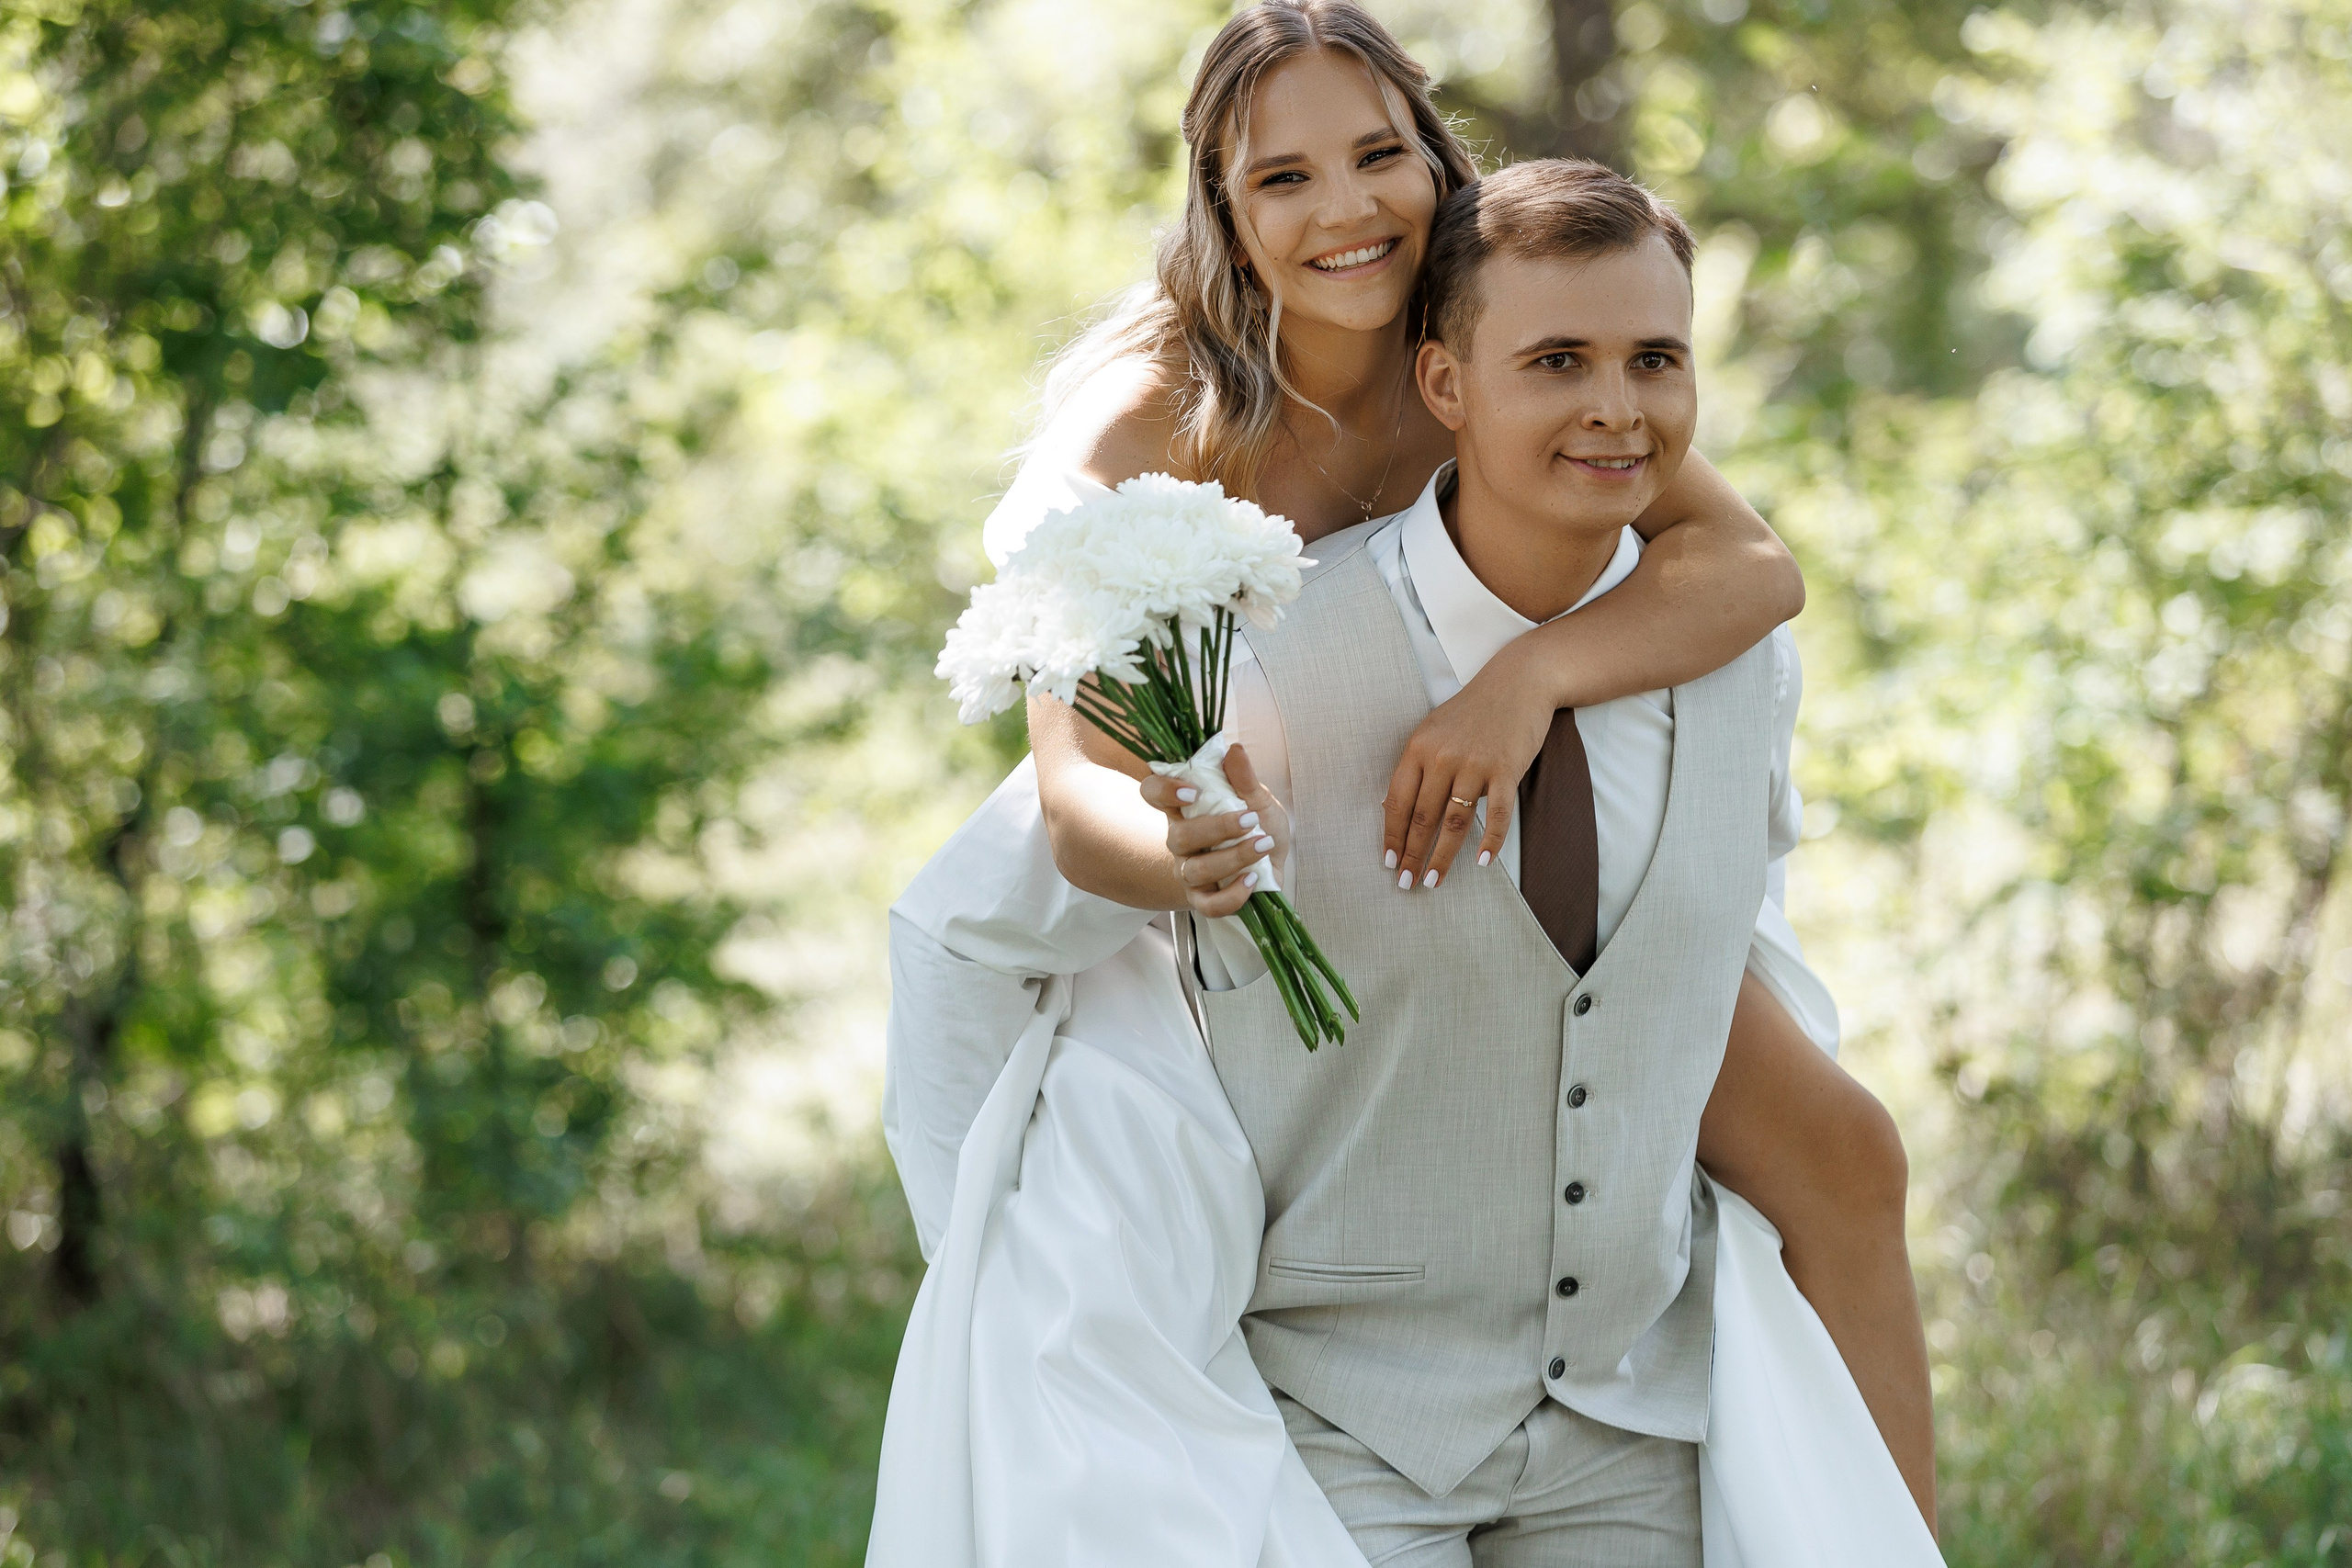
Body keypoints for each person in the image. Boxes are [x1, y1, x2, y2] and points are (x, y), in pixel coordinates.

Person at [870, 4, 1934, 1562]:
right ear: (1223, 210)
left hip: (1485, 753)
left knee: (1840, 1151)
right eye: (1284, 178)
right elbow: (1074, 772)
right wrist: (1179, 854)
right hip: (1225, 817)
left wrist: (1529, 680)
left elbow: (1752, 567)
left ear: (1436, 161)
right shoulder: (1159, 418)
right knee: (1116, 1247)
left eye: (1379, 155)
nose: (1347, 208)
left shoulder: (1511, 325)